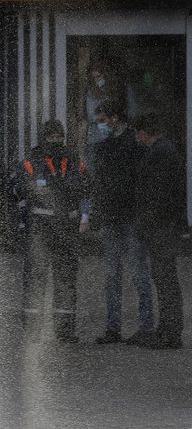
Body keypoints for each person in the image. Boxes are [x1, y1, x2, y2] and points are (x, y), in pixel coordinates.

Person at [12, 120, 89, 343]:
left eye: (59, 137)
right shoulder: (31, 162)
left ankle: (64, 330)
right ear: (43, 138)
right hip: (40, 230)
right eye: (51, 137)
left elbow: (85, 187)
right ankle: (32, 330)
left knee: (66, 279)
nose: (56, 141)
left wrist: (84, 216)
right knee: (36, 278)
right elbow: (19, 190)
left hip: (67, 229)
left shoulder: (73, 161)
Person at [86, 99, 154, 345]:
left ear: (115, 118)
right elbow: (99, 183)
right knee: (116, 275)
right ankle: (118, 327)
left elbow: (139, 182)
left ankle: (141, 327)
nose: (100, 125)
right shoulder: (107, 147)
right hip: (115, 217)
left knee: (134, 274)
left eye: (103, 120)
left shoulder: (132, 146)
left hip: (128, 217)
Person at [133, 114, 185, 349]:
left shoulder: (160, 154)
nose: (137, 138)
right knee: (165, 278)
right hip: (164, 226)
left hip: (161, 227)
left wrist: (148, 220)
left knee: (165, 279)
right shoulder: (166, 151)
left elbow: (158, 194)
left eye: (138, 133)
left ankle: (169, 332)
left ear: (145, 132)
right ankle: (168, 330)